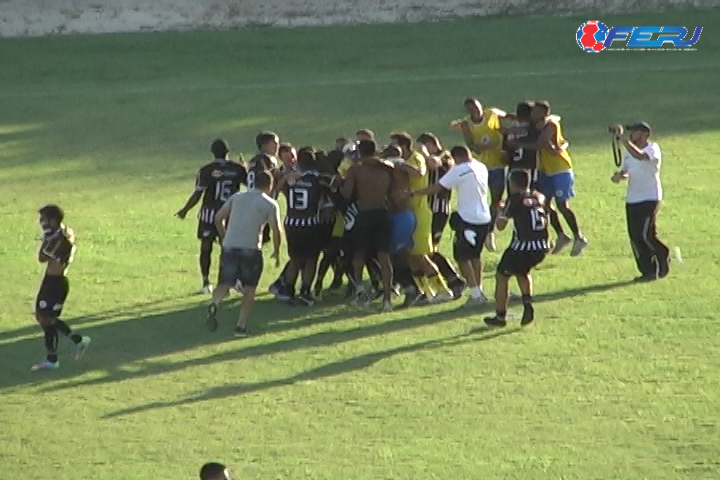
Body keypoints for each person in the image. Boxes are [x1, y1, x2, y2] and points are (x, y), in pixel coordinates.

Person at [411, 146, 491, 305]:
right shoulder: (481, 166)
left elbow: (437, 187)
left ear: (457, 157)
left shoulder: (459, 170)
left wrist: (415, 192)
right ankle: (478, 290)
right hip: (484, 217)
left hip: (468, 218)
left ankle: (476, 295)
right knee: (475, 256)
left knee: (462, 257)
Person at [207, 170, 282, 337]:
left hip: (230, 246)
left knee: (225, 282)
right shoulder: (269, 203)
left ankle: (215, 302)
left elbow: (218, 218)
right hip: (251, 249)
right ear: (270, 185)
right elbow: (277, 230)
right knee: (249, 289)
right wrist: (277, 250)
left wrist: (224, 236)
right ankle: (240, 327)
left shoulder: (237, 197)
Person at [175, 139, 248, 293]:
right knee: (227, 248)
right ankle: (230, 280)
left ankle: (206, 282)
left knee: (206, 248)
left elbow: (198, 193)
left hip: (209, 214)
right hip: (230, 214)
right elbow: (252, 187)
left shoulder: (206, 170)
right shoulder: (238, 169)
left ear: (212, 152)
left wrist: (185, 209)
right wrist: (246, 168)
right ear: (228, 152)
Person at [391, 132, 453, 304]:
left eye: (395, 145)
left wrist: (400, 164)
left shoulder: (416, 157)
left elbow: (419, 173)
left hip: (420, 212)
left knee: (421, 256)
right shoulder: (403, 161)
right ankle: (425, 292)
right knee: (410, 256)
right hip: (408, 213)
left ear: (404, 146)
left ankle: (443, 289)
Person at [484, 169, 550, 328]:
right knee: (522, 271)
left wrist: (501, 210)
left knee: (501, 275)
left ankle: (500, 317)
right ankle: (527, 302)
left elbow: (500, 226)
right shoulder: (538, 196)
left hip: (523, 246)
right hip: (542, 246)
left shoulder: (514, 199)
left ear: (512, 184)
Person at [31, 205, 91, 371]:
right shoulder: (63, 232)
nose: (41, 223)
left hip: (55, 284)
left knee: (45, 319)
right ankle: (77, 341)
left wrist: (46, 239)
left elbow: (42, 258)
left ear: (53, 220)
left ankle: (53, 359)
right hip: (52, 281)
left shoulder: (58, 239)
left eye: (44, 219)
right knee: (44, 318)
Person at [611, 122, 670, 281]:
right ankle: (647, 270)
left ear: (645, 134)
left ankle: (660, 258)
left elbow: (640, 156)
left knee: (643, 235)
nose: (631, 135)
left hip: (649, 197)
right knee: (636, 236)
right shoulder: (629, 152)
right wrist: (619, 176)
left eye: (635, 132)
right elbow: (626, 170)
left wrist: (622, 139)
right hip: (632, 199)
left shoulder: (652, 149)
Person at [341, 139, 395, 311]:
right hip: (383, 212)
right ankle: (387, 300)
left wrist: (338, 183)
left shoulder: (356, 170)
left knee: (359, 255)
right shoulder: (386, 168)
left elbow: (347, 193)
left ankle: (360, 291)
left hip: (364, 214)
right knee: (384, 259)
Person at [530, 101, 588, 256]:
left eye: (535, 111)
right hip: (546, 171)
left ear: (543, 112)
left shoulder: (551, 124)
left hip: (560, 169)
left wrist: (556, 147)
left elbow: (543, 143)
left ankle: (579, 237)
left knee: (562, 205)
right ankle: (562, 236)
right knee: (545, 204)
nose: (532, 114)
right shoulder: (540, 123)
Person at [275, 148, 329, 305]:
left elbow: (277, 190)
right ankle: (305, 291)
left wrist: (284, 179)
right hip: (309, 222)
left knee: (295, 259)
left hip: (292, 222)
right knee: (311, 259)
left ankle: (288, 290)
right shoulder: (316, 179)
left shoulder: (290, 178)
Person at [417, 132, 465, 297]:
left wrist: (423, 152)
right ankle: (445, 279)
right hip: (430, 210)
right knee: (426, 249)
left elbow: (433, 165)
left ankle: (453, 279)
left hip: (437, 209)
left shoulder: (444, 157)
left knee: (429, 250)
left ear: (430, 144)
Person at [455, 97, 508, 251]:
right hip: (480, 168)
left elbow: (505, 119)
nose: (475, 112)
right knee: (482, 199)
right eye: (471, 110)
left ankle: (490, 232)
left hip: (497, 164)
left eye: (477, 108)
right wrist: (484, 146)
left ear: (481, 107)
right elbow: (471, 145)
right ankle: (486, 232)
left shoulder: (491, 114)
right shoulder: (466, 124)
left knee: (496, 199)